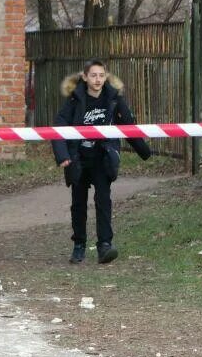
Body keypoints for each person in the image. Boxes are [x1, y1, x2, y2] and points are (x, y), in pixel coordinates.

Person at [51, 59, 151, 264]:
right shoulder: (74, 100)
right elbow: (59, 127)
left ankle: (105, 245)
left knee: (103, 201)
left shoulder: (113, 99)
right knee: (78, 204)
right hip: (78, 157)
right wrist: (63, 156)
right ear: (85, 77)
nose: (98, 80)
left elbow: (128, 126)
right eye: (93, 75)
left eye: (101, 75)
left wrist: (144, 151)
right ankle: (79, 245)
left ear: (105, 77)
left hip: (103, 157)